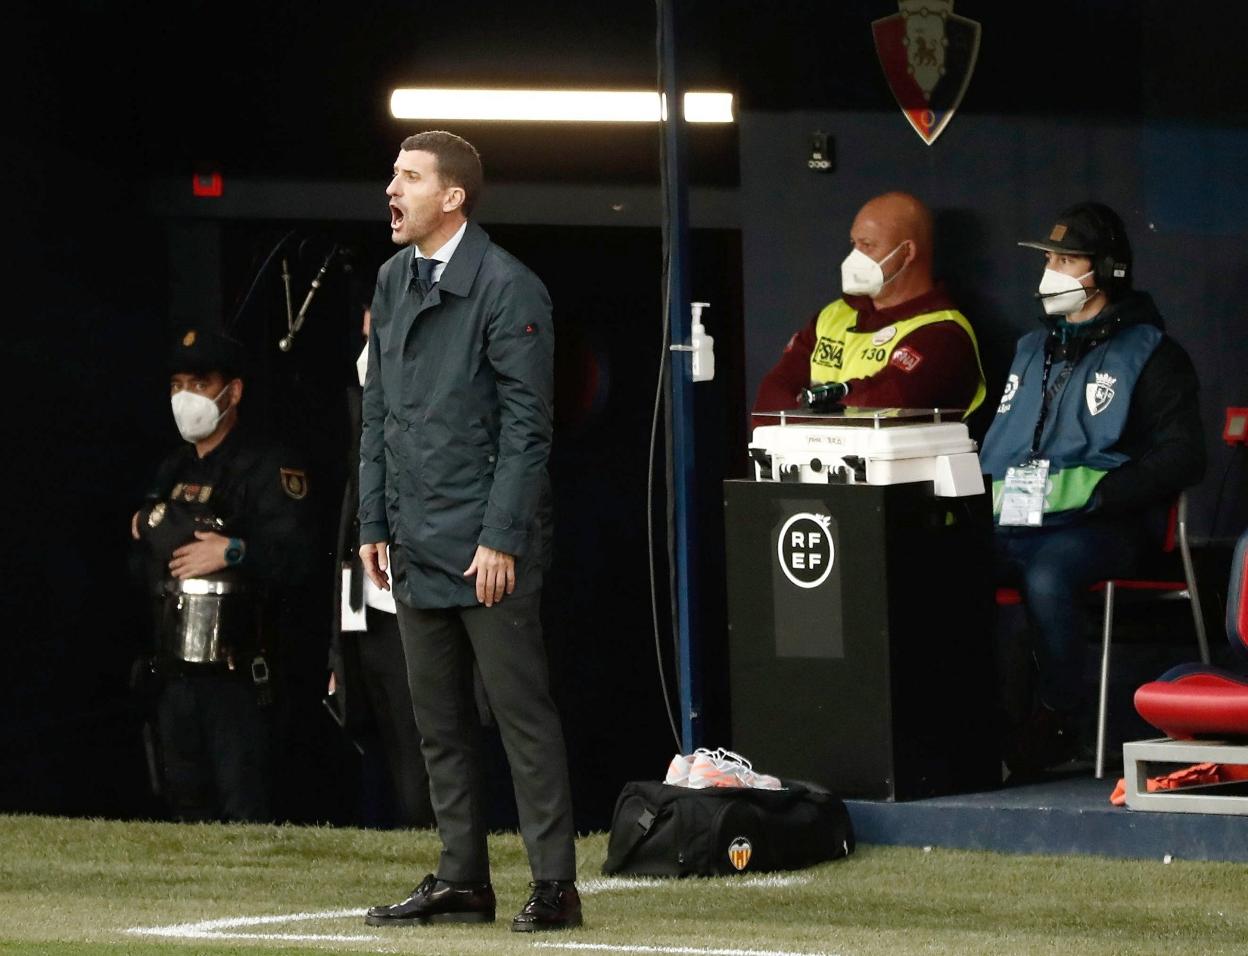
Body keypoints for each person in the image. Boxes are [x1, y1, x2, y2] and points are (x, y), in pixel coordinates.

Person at [359, 131, 580, 932]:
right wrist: (372, 520)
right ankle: (462, 878)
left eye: (409, 178)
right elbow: (379, 410)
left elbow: (528, 428)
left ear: (452, 196)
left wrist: (502, 538)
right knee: (438, 723)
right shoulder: (391, 280)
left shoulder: (508, 286)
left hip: (489, 546)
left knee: (521, 716)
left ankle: (555, 883)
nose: (392, 189)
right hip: (414, 537)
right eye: (394, 175)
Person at [980, 202, 1206, 773]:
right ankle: (966, 719)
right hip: (1018, 519)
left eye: (1066, 259)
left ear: (1105, 271)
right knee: (944, 563)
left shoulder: (1155, 355)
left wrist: (1102, 494)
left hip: (1106, 527)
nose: (1051, 271)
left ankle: (1059, 719)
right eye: (1050, 258)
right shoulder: (1032, 350)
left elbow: (1185, 457)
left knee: (1049, 575)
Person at [130, 327, 316, 821]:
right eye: (176, 384)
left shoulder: (269, 464)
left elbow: (298, 556)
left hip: (237, 675)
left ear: (232, 391)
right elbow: (144, 540)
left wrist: (234, 552)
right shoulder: (171, 468)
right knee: (184, 809)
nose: (185, 396)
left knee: (244, 809)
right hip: (173, 671)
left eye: (199, 381)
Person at [330, 306, 434, 828]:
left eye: (381, 335)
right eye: (365, 334)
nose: (369, 350)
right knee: (385, 753)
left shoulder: (436, 419)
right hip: (368, 616)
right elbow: (351, 531)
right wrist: (337, 643)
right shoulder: (362, 421)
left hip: (423, 610)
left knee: (427, 767)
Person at [752, 191, 985, 425]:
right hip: (807, 461)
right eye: (854, 244)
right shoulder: (834, 315)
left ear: (907, 252)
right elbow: (769, 405)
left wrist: (804, 413)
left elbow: (883, 413)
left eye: (868, 245)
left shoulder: (942, 333)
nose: (854, 257)